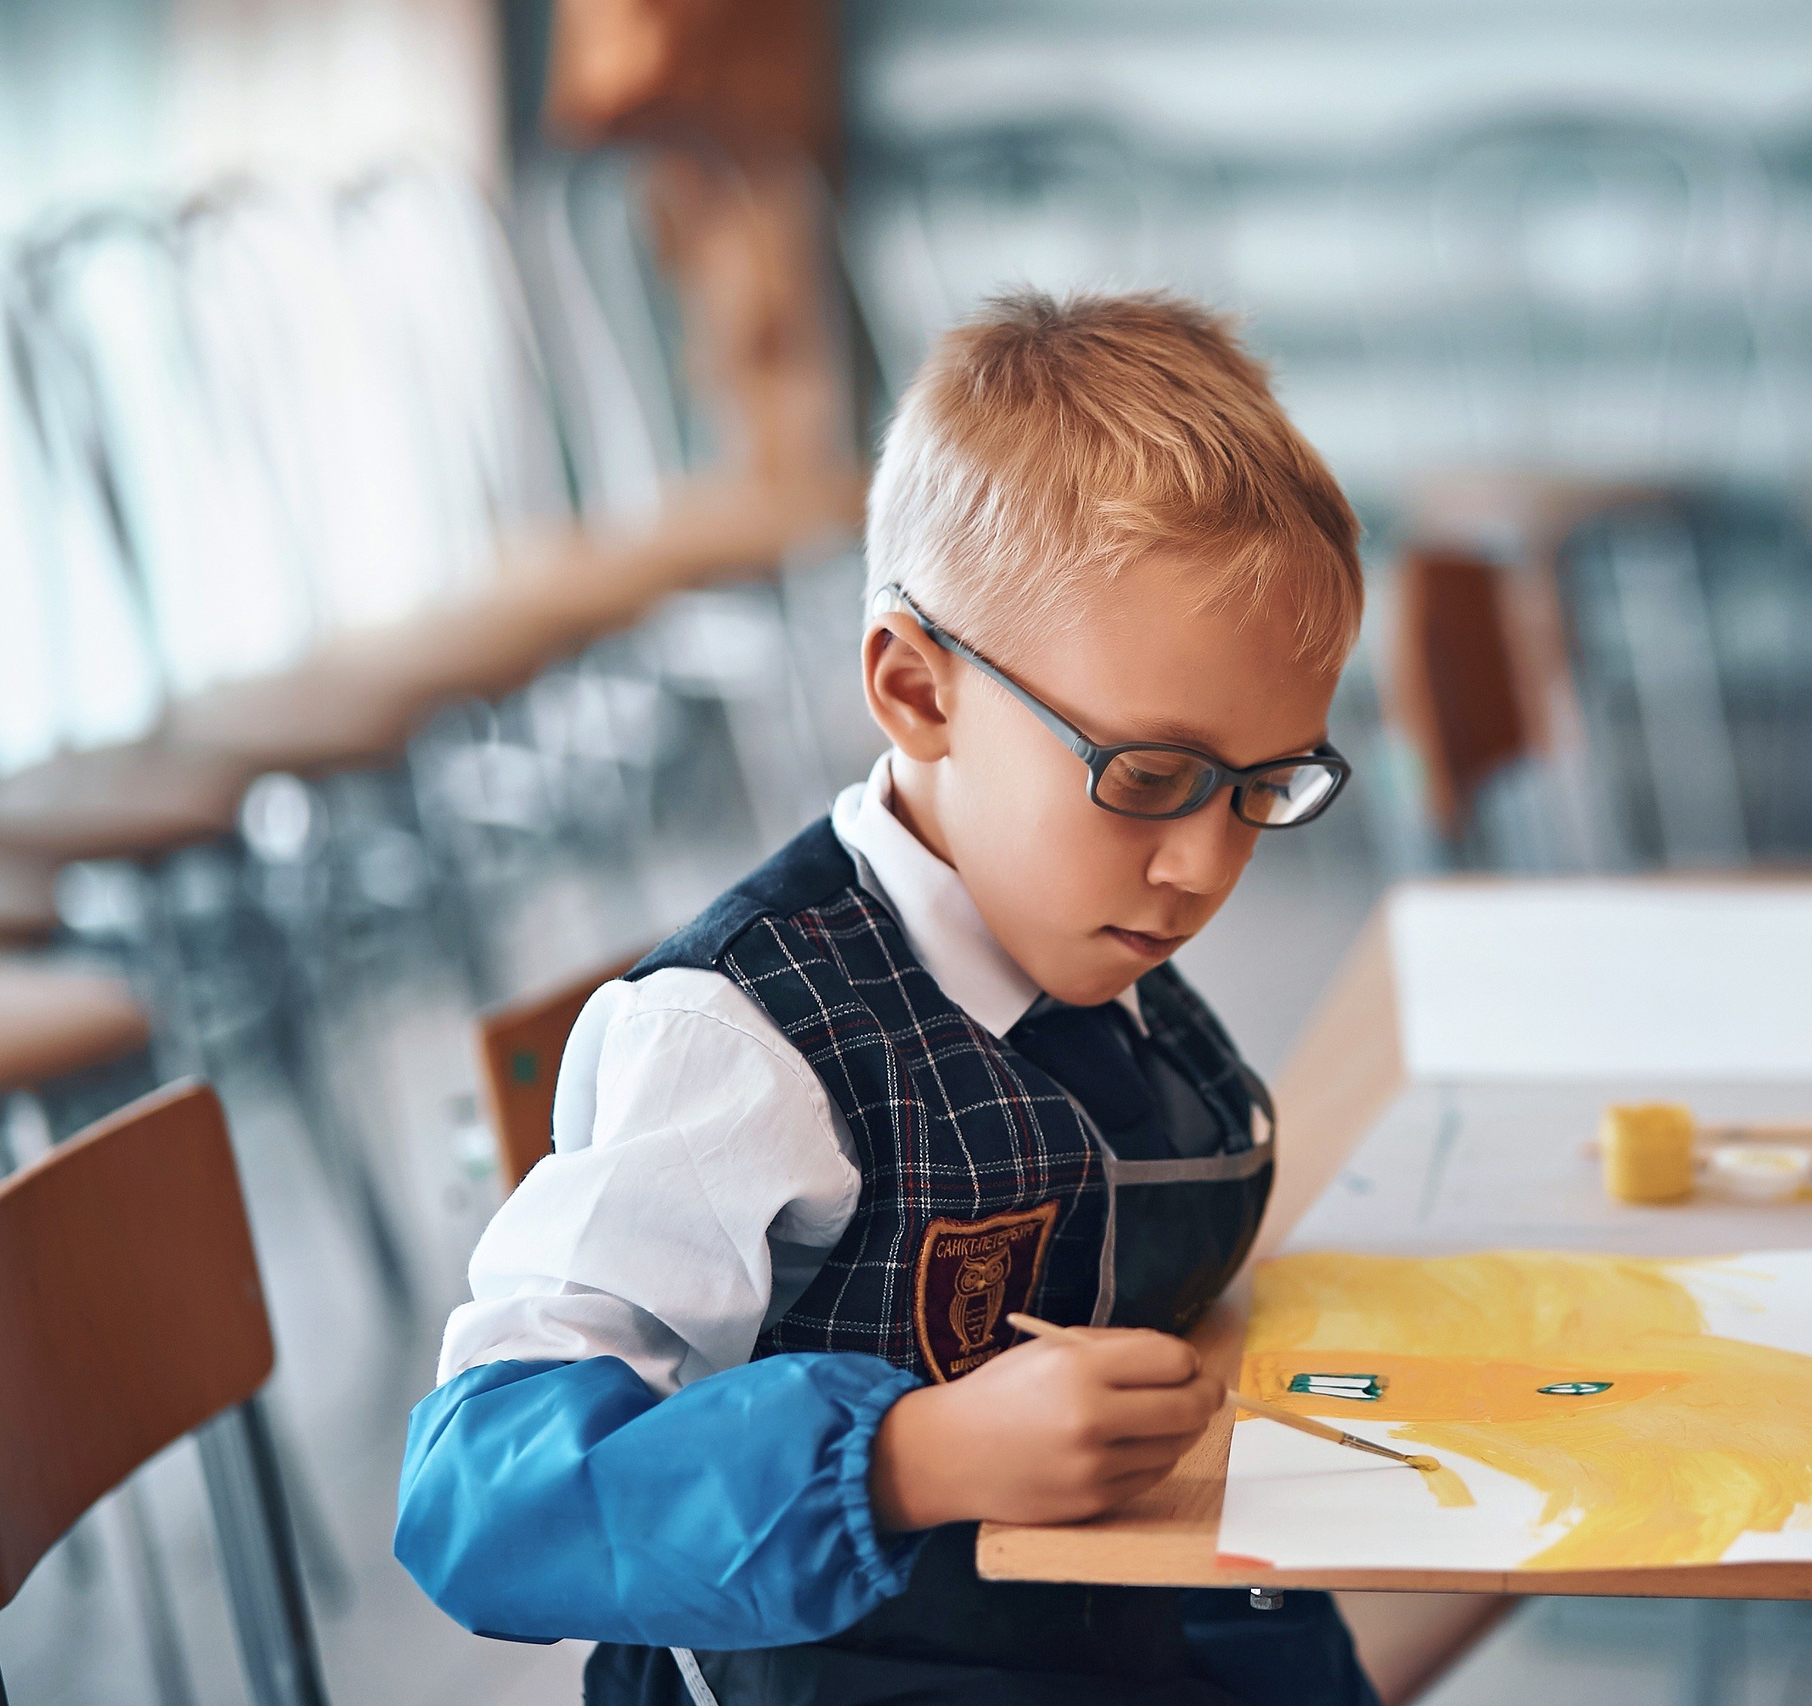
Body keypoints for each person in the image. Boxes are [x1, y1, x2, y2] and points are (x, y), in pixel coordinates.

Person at [394, 291, 1379, 1706]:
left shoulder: (1081, 936)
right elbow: (480, 1502)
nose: (1204, 862)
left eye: (1264, 787)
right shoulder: (740, 1048)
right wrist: (908, 1457)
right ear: (917, 690)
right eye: (1150, 777)